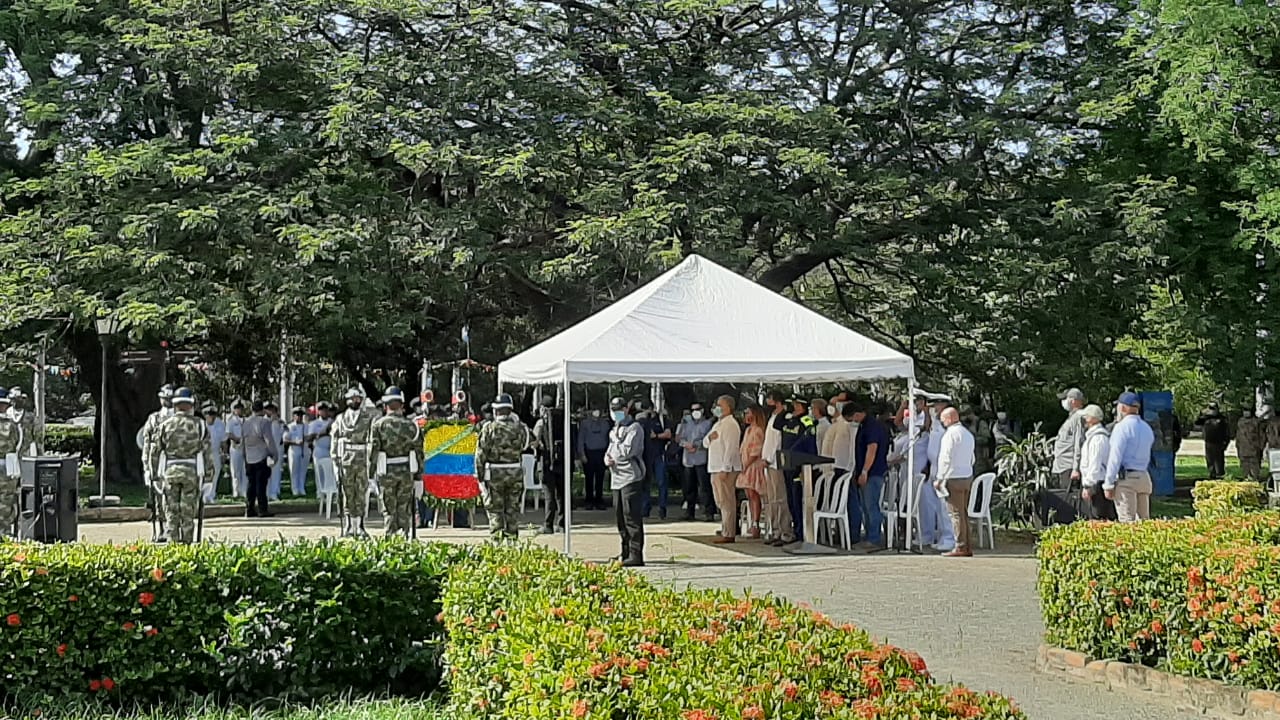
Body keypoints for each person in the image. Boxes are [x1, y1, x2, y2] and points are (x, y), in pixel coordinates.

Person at [149, 388, 214, 544]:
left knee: (171, 513)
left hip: (170, 471)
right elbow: (207, 454)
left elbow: (155, 452)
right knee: (188, 514)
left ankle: (173, 545)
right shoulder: (200, 425)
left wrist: (154, 476)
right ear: (191, 405)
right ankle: (187, 546)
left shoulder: (165, 425)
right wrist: (208, 478)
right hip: (191, 472)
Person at [475, 393, 531, 540]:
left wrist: (480, 477)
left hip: (495, 474)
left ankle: (497, 541)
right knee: (512, 510)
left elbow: (480, 454)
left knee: (495, 510)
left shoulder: (489, 429)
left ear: (496, 410)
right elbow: (526, 444)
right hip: (515, 473)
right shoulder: (520, 428)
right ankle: (512, 541)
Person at [368, 387, 421, 537]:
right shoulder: (412, 426)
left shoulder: (378, 425)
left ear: (385, 405)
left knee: (389, 509)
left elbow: (373, 451)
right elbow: (419, 453)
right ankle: (404, 538)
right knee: (403, 507)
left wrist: (370, 475)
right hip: (406, 471)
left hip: (387, 471)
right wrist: (419, 477)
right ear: (402, 405)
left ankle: (390, 539)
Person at [332, 387, 378, 536]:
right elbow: (335, 438)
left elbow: (371, 440)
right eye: (352, 398)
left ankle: (361, 526)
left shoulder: (368, 418)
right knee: (348, 492)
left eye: (358, 398)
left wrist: (371, 460)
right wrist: (335, 458)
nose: (355, 401)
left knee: (362, 493)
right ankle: (348, 525)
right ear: (347, 400)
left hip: (362, 457)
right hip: (345, 458)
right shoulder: (340, 419)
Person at [1104, 392, 1156, 523]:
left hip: (1127, 479)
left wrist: (1109, 484)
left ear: (1122, 408)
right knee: (1144, 522)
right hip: (1144, 476)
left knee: (1127, 521)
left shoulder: (1121, 428)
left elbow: (1115, 457)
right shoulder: (1146, 427)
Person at [605, 397, 646, 566]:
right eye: (613, 409)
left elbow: (627, 450)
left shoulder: (634, 428)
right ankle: (625, 551)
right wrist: (607, 458)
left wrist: (614, 451)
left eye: (619, 409)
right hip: (616, 478)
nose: (616, 413)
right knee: (620, 517)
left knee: (632, 517)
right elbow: (610, 450)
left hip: (630, 477)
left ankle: (636, 554)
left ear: (626, 409)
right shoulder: (614, 429)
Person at [935, 407, 976, 557]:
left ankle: (960, 546)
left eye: (943, 418)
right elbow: (972, 458)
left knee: (955, 514)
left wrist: (940, 478)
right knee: (963, 513)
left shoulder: (950, 435)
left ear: (951, 418)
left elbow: (945, 458)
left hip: (953, 477)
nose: (941, 421)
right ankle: (967, 545)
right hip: (967, 476)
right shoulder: (968, 434)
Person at [849, 400, 889, 547]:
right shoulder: (865, 425)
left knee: (871, 505)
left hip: (873, 472)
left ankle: (874, 537)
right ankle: (868, 536)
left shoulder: (872, 427)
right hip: (866, 471)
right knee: (865, 506)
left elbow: (872, 449)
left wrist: (865, 471)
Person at [704, 395, 743, 543]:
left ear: (728, 407)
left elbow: (731, 448)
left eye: (720, 405)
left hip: (724, 467)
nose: (717, 407)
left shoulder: (731, 424)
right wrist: (709, 438)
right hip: (714, 466)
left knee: (727, 500)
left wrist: (725, 468)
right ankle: (725, 526)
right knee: (720, 500)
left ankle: (729, 532)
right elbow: (705, 443)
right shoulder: (718, 423)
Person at [760, 391, 795, 547]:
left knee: (780, 498)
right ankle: (775, 531)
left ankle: (785, 531)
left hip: (776, 462)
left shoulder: (784, 417)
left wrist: (770, 458)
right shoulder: (772, 416)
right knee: (772, 499)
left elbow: (778, 440)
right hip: (768, 462)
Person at [141, 384, 176, 542]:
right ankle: (160, 529)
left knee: (174, 498)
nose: (166, 401)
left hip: (175, 463)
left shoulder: (180, 419)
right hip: (157, 463)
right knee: (157, 498)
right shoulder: (153, 418)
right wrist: (147, 467)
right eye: (164, 398)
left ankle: (173, 529)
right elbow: (147, 444)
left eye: (169, 398)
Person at [922, 393, 956, 551]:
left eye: (936, 406)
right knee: (934, 506)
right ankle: (940, 536)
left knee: (945, 508)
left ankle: (950, 537)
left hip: (945, 470)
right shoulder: (936, 423)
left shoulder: (948, 426)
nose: (934, 409)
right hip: (934, 468)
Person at [781, 397, 817, 539]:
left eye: (795, 404)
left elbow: (810, 441)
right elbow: (778, 424)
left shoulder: (806, 420)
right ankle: (796, 529)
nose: (793, 407)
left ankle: (801, 532)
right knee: (790, 499)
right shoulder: (789, 420)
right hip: (787, 463)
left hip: (799, 466)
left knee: (797, 500)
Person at [532, 396, 568, 534]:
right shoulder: (563, 420)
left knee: (549, 495)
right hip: (561, 461)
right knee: (561, 494)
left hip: (546, 462)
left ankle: (548, 524)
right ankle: (562, 524)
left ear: (542, 408)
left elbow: (535, 442)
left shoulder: (541, 423)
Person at [1078, 405, 1117, 520]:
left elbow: (1095, 464)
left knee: (1098, 518)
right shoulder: (1094, 437)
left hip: (1097, 484)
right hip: (1096, 482)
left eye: (1086, 417)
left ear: (1093, 419)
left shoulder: (1097, 438)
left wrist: (1088, 486)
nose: (1084, 420)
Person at [241, 400, 279, 518]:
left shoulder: (245, 423)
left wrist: (244, 455)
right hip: (261, 456)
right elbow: (269, 440)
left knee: (251, 484)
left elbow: (243, 441)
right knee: (261, 484)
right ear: (262, 410)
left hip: (249, 456)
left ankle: (249, 508)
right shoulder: (264, 422)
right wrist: (274, 454)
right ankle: (263, 509)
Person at [675, 402, 713, 521]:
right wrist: (685, 444)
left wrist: (696, 445)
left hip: (701, 459)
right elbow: (679, 438)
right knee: (689, 487)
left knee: (704, 487)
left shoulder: (707, 424)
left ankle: (709, 512)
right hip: (688, 460)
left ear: (702, 410)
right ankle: (689, 512)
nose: (694, 411)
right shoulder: (686, 424)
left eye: (697, 409)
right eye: (692, 409)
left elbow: (709, 439)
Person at [736, 405, 768, 539]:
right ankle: (753, 522)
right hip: (745, 465)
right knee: (749, 495)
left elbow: (756, 451)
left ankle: (756, 524)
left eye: (748, 413)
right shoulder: (748, 430)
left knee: (754, 495)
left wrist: (746, 464)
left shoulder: (758, 431)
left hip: (752, 466)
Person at [578, 407, 612, 510]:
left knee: (600, 478)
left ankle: (599, 500)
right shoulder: (584, 424)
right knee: (588, 478)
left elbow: (609, 439)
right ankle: (588, 500)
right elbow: (581, 439)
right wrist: (582, 454)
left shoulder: (606, 424)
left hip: (602, 452)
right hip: (589, 453)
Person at [1052, 388, 1087, 489]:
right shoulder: (1071, 417)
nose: (1063, 402)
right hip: (1061, 467)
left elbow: (1079, 442)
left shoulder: (1078, 417)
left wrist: (1076, 468)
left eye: (1065, 398)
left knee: (1070, 501)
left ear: (1073, 400)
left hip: (1069, 467)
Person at [0, 389, 22, 537]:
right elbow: (16, 443)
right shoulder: (11, 424)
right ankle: (5, 534)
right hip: (7, 463)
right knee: (7, 501)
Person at [309, 402, 337, 501]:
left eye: (326, 409)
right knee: (319, 471)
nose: (324, 412)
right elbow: (310, 437)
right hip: (319, 449)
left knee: (330, 472)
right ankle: (320, 492)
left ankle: (331, 492)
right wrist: (322, 433)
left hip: (330, 449)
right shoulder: (314, 423)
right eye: (321, 410)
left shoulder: (333, 422)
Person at [1196, 403, 1230, 480]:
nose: (1212, 410)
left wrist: (1226, 443)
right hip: (1208, 443)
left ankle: (1220, 476)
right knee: (1210, 461)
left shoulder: (1222, 419)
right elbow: (1197, 422)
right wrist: (1202, 413)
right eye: (1210, 408)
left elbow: (1227, 432)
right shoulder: (1206, 418)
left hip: (1219, 443)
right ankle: (1212, 475)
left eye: (1213, 408)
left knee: (1219, 462)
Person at [284, 407, 310, 497]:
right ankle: (294, 489)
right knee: (294, 470)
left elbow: (309, 437)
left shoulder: (306, 426)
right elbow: (285, 440)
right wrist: (295, 442)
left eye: (300, 415)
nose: (299, 417)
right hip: (294, 449)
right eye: (297, 415)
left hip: (304, 449)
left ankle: (301, 488)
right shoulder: (290, 426)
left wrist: (307, 439)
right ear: (294, 416)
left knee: (303, 470)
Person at [202, 405, 225, 504]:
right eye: (209, 414)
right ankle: (203, 495)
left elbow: (223, 440)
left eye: (213, 414)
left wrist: (224, 453)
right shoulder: (201, 424)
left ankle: (211, 495)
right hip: (203, 454)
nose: (211, 417)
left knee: (215, 474)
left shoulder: (220, 424)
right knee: (203, 474)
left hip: (215, 452)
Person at [6, 388, 38, 455]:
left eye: (18, 399)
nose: (14, 401)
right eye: (12, 399)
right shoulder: (7, 413)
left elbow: (36, 435)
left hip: (25, 451)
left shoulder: (30, 416)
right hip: (9, 451)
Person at [1237, 406, 1265, 481]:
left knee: (1254, 467)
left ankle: (1255, 479)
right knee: (1245, 467)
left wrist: (1260, 447)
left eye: (1247, 410)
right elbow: (1238, 435)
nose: (1245, 412)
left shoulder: (1256, 422)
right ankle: (1246, 478)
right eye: (1244, 410)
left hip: (1254, 448)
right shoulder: (1240, 421)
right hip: (1243, 448)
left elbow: (1262, 435)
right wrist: (1238, 446)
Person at [226, 400, 248, 498]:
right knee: (235, 470)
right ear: (234, 410)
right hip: (235, 447)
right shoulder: (231, 421)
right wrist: (235, 439)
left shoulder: (246, 421)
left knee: (244, 470)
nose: (239, 410)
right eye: (237, 408)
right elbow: (228, 433)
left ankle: (244, 490)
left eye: (240, 408)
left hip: (245, 447)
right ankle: (236, 490)